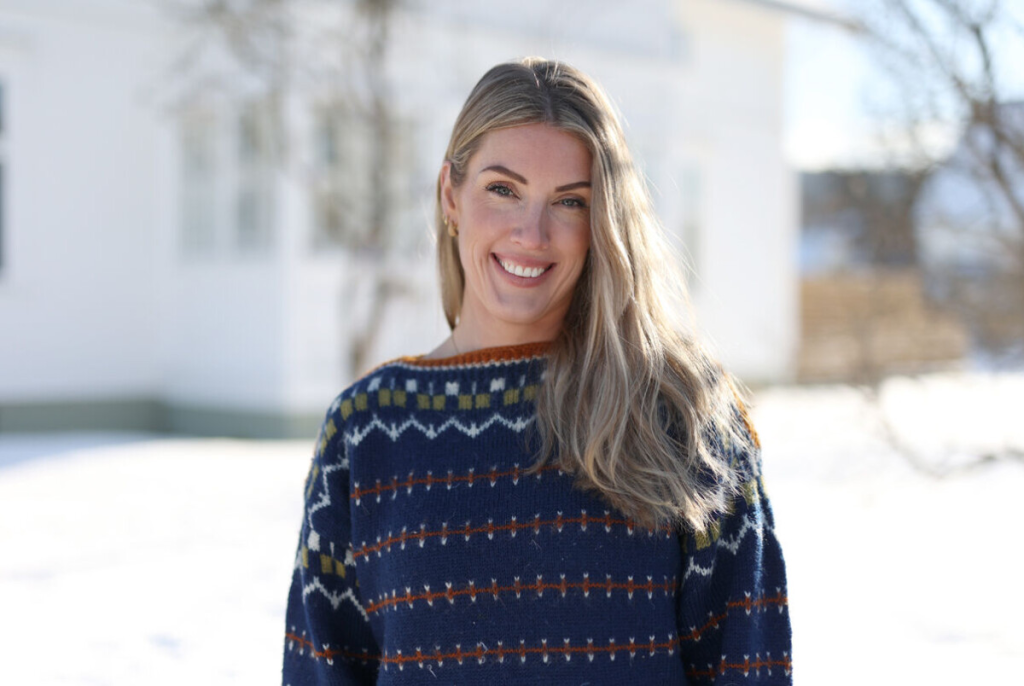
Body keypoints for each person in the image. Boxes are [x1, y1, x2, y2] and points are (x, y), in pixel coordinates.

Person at [282, 58, 792, 685]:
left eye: (570, 202)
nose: (533, 233)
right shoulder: (365, 432)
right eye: (503, 190)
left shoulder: (683, 414)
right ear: (450, 195)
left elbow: (750, 666)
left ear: (602, 223)